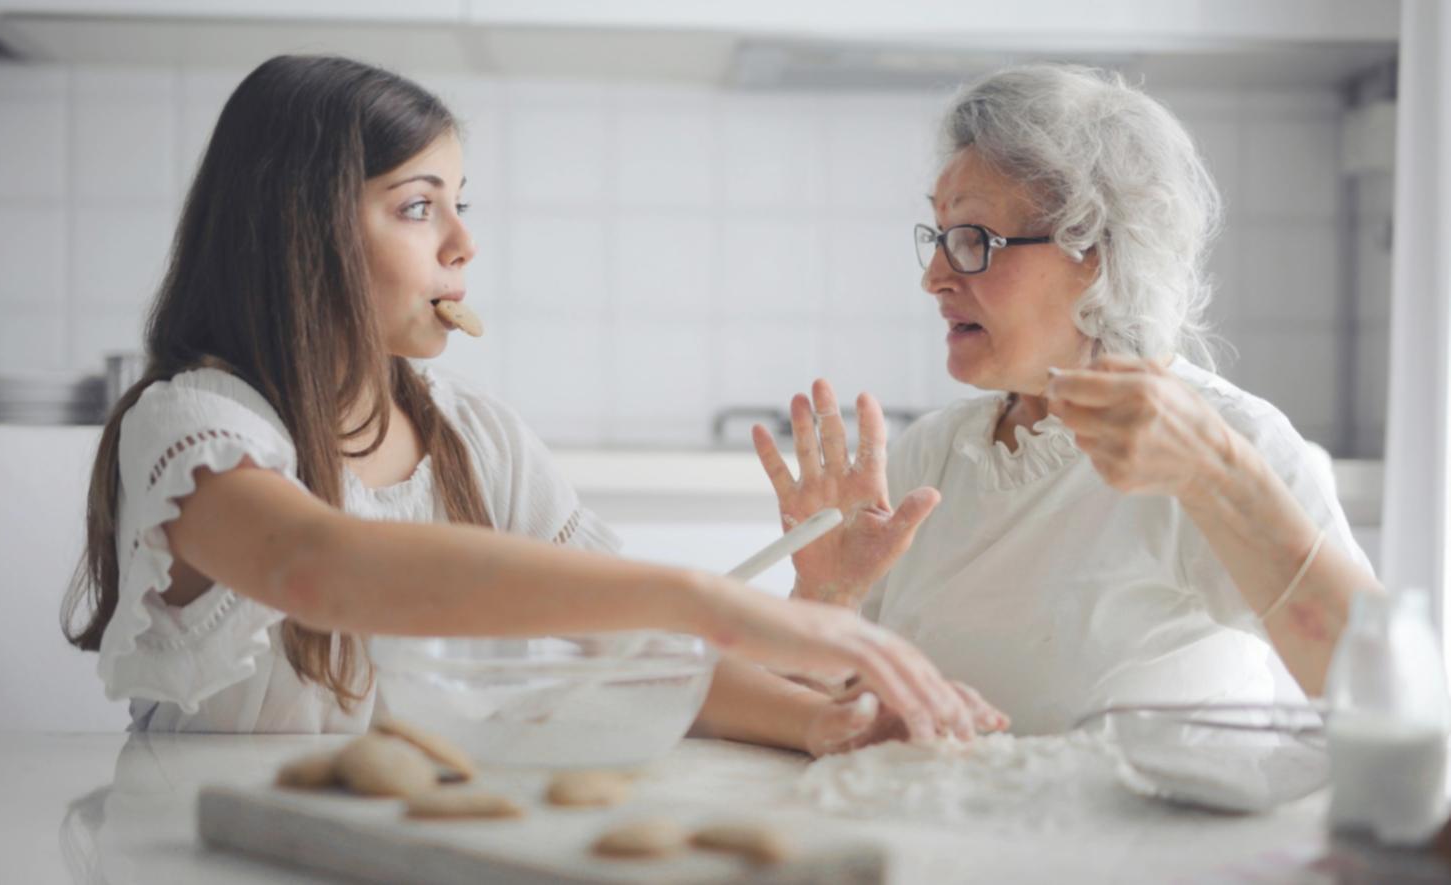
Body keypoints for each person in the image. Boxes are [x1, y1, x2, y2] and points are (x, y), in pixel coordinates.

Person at [60, 55, 1005, 752]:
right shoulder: (194, 427)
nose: (463, 242)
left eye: (460, 203)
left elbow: (631, 649)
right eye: (418, 205)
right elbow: (313, 565)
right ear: (299, 231)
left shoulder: (476, 438)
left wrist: (824, 719)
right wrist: (698, 595)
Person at [754, 64, 1380, 736]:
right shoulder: (932, 456)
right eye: (938, 236)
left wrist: (1220, 478)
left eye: (973, 240)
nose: (934, 277)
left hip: (1154, 812)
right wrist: (827, 597)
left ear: (1099, 251)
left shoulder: (1224, 438)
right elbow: (828, 720)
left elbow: (1381, 689)